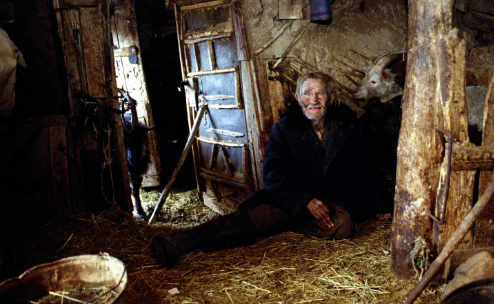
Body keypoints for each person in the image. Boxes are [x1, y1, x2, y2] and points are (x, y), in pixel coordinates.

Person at [149, 71, 391, 267]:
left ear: (332, 97)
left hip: (334, 199)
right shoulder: (285, 129)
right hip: (293, 198)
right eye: (307, 93)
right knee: (254, 219)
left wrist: (380, 206)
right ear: (298, 98)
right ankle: (177, 242)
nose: (314, 100)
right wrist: (305, 201)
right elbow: (273, 174)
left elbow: (368, 165)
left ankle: (292, 223)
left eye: (321, 93)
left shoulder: (349, 126)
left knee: (344, 225)